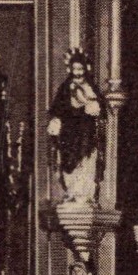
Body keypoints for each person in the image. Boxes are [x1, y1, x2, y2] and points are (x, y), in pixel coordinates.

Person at [47, 50, 102, 204]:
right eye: (75, 69)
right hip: (69, 133)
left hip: (85, 131)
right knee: (69, 158)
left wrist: (92, 106)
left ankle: (83, 192)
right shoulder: (65, 88)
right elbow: (57, 108)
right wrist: (56, 121)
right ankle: (72, 190)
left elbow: (99, 107)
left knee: (86, 159)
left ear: (85, 69)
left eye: (81, 69)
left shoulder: (91, 87)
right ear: (70, 69)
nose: (78, 73)